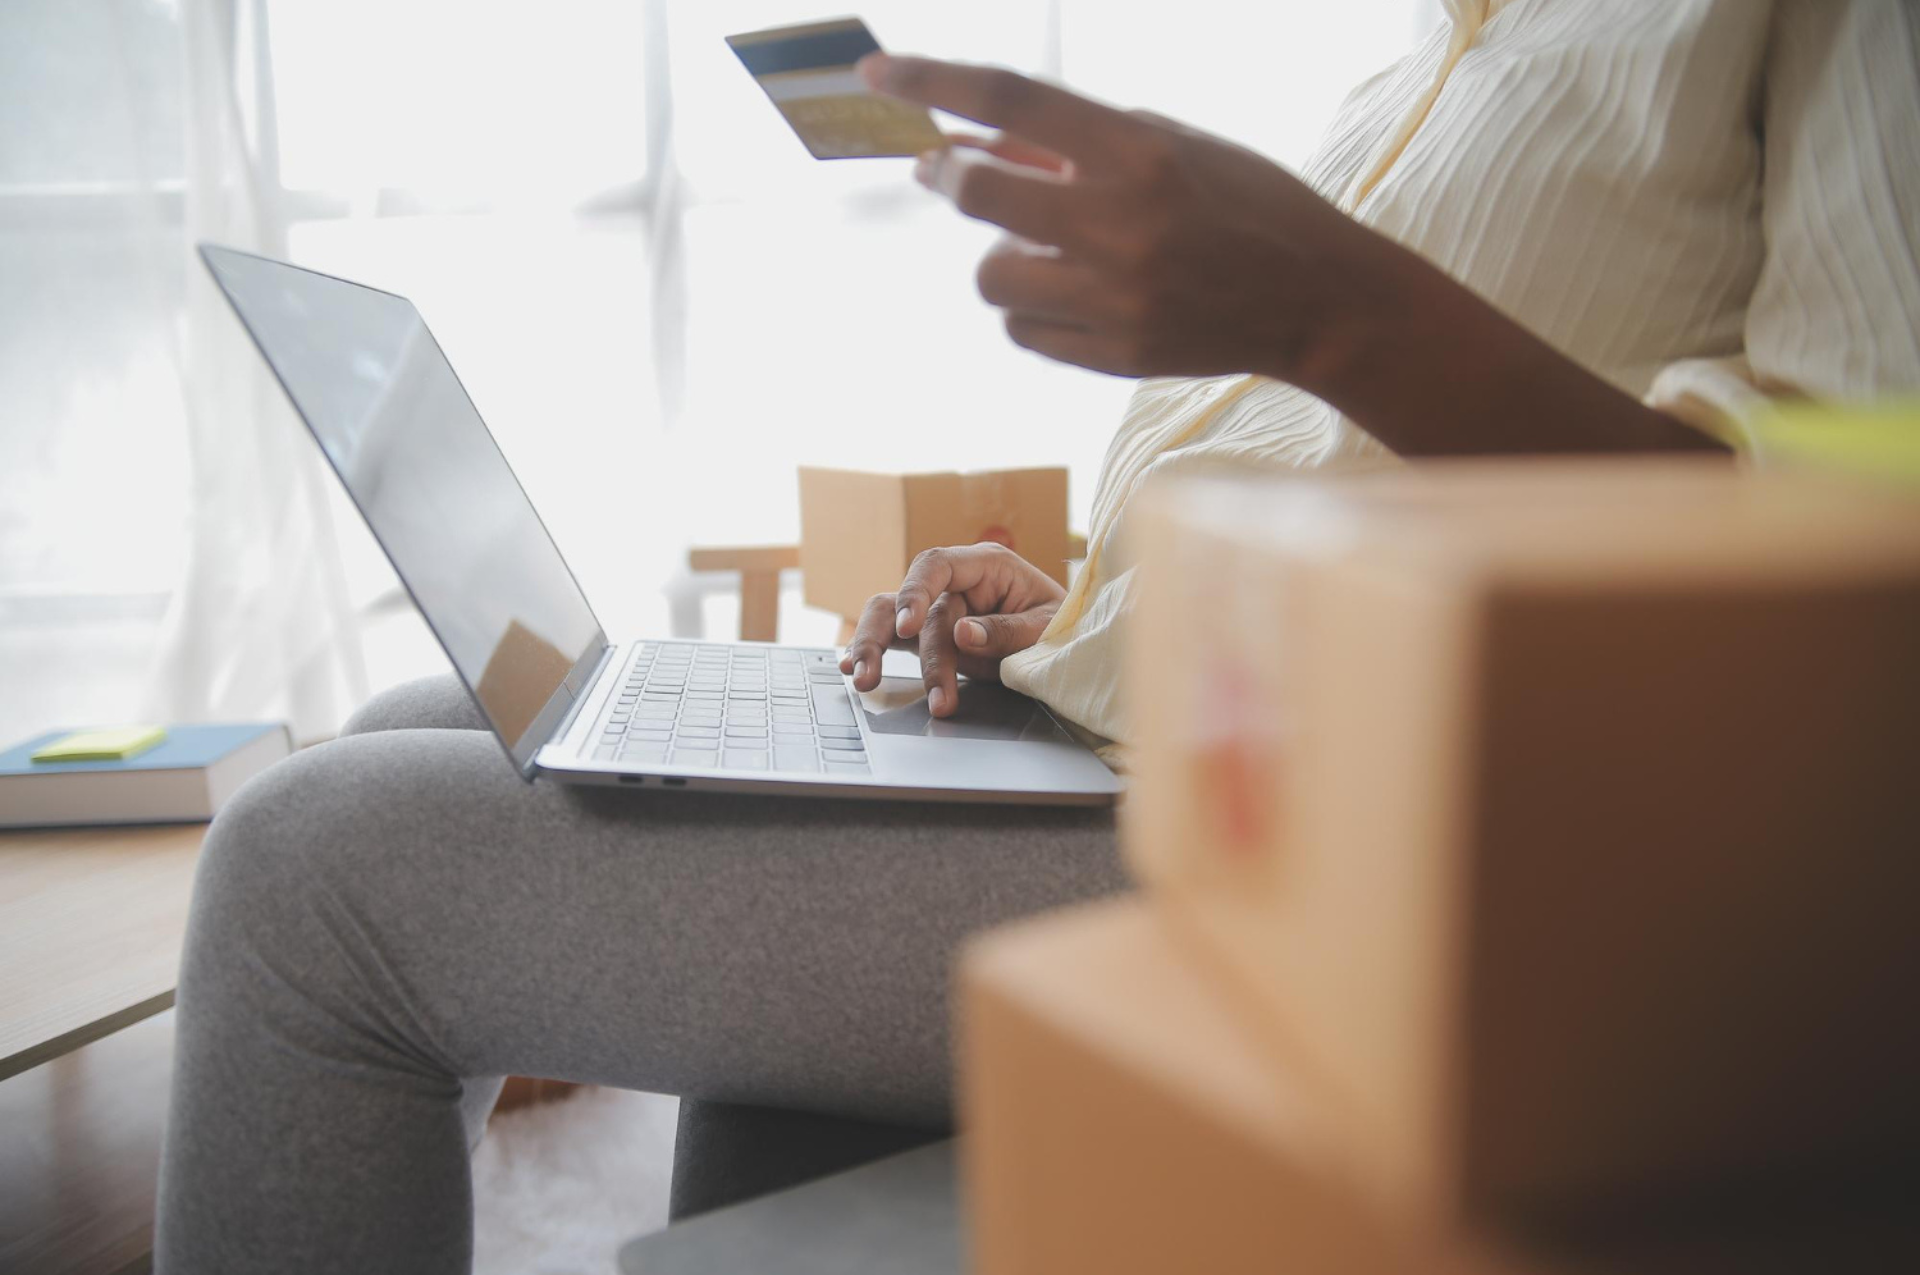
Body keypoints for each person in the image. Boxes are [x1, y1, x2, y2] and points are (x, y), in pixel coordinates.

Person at [157, 2, 1918, 1270]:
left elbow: (1858, 543)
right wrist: (1082, 617)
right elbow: (1357, 494)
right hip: (1155, 749)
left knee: (311, 870)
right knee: (401, 716)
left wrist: (1324, 299)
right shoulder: (1439, 54)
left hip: (1332, 864)